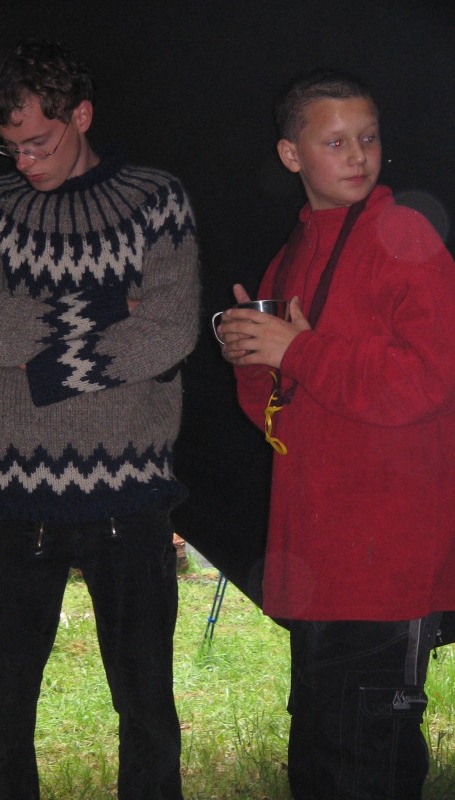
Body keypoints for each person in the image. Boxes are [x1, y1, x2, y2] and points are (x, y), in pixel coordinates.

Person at [0, 37, 200, 800]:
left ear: (81, 116)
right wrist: (116, 305)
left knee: (147, 714)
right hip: (14, 500)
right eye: (10, 145)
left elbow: (172, 331)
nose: (23, 161)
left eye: (39, 142)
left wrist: (44, 369)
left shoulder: (158, 201)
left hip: (133, 497)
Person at [216, 68, 455, 800]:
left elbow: (428, 381)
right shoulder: (293, 253)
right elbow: (280, 417)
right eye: (336, 142)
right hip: (320, 554)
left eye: (369, 138)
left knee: (365, 767)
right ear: (291, 155)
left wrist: (298, 350)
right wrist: (253, 360)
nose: (358, 155)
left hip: (384, 558)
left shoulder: (403, 233)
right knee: (322, 764)